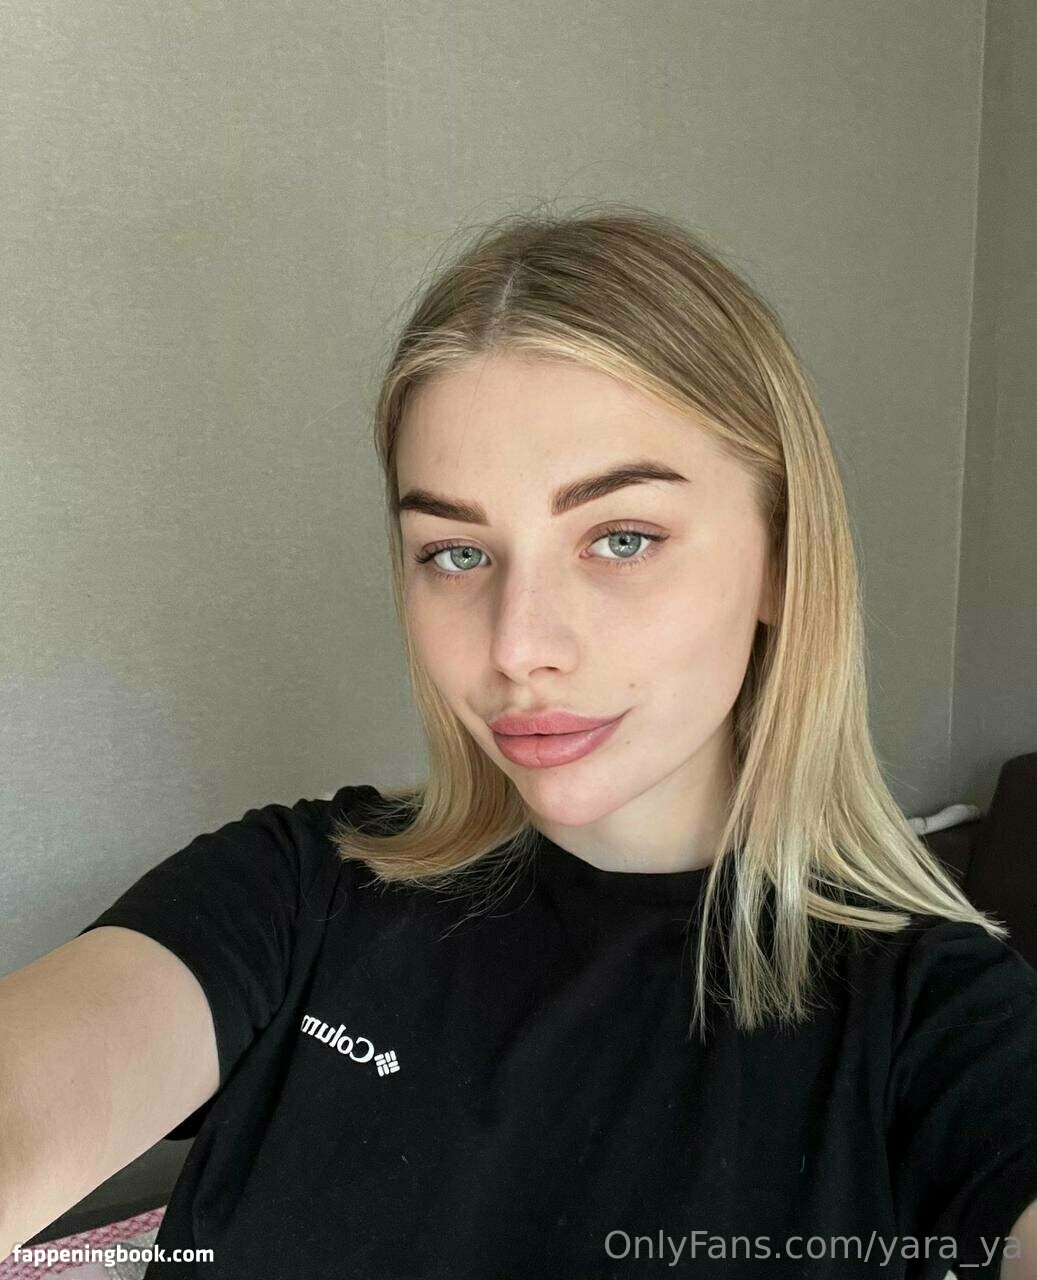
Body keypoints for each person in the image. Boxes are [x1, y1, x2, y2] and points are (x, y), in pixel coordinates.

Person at [2, 205, 1035, 1279]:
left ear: (780, 557)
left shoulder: (939, 1021)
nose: (517, 646)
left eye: (620, 538)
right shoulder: (294, 891)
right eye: (455, 553)